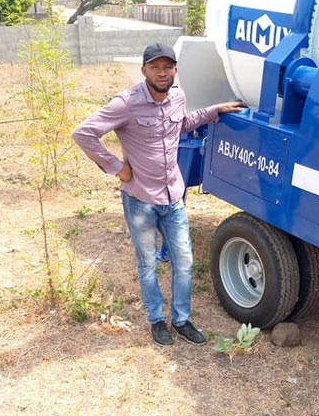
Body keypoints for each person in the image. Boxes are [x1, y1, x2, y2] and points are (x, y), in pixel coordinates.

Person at [72, 42, 246, 346]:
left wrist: (212, 111)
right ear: (144, 71)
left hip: (173, 196)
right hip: (140, 199)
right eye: (155, 67)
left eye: (168, 67)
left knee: (185, 261)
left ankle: (181, 319)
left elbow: (181, 125)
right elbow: (83, 133)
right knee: (148, 264)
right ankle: (156, 320)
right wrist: (117, 168)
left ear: (176, 70)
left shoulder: (178, 96)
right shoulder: (126, 103)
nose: (162, 73)